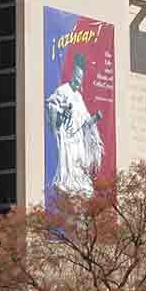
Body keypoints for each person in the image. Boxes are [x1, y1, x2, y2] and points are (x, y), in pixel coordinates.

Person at [45, 52, 104, 196]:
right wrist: (61, 115)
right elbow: (52, 110)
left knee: (82, 186)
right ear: (72, 75)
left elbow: (85, 123)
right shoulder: (62, 91)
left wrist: (95, 118)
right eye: (77, 78)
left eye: (81, 79)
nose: (78, 81)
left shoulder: (79, 97)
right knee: (68, 182)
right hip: (67, 141)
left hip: (79, 144)